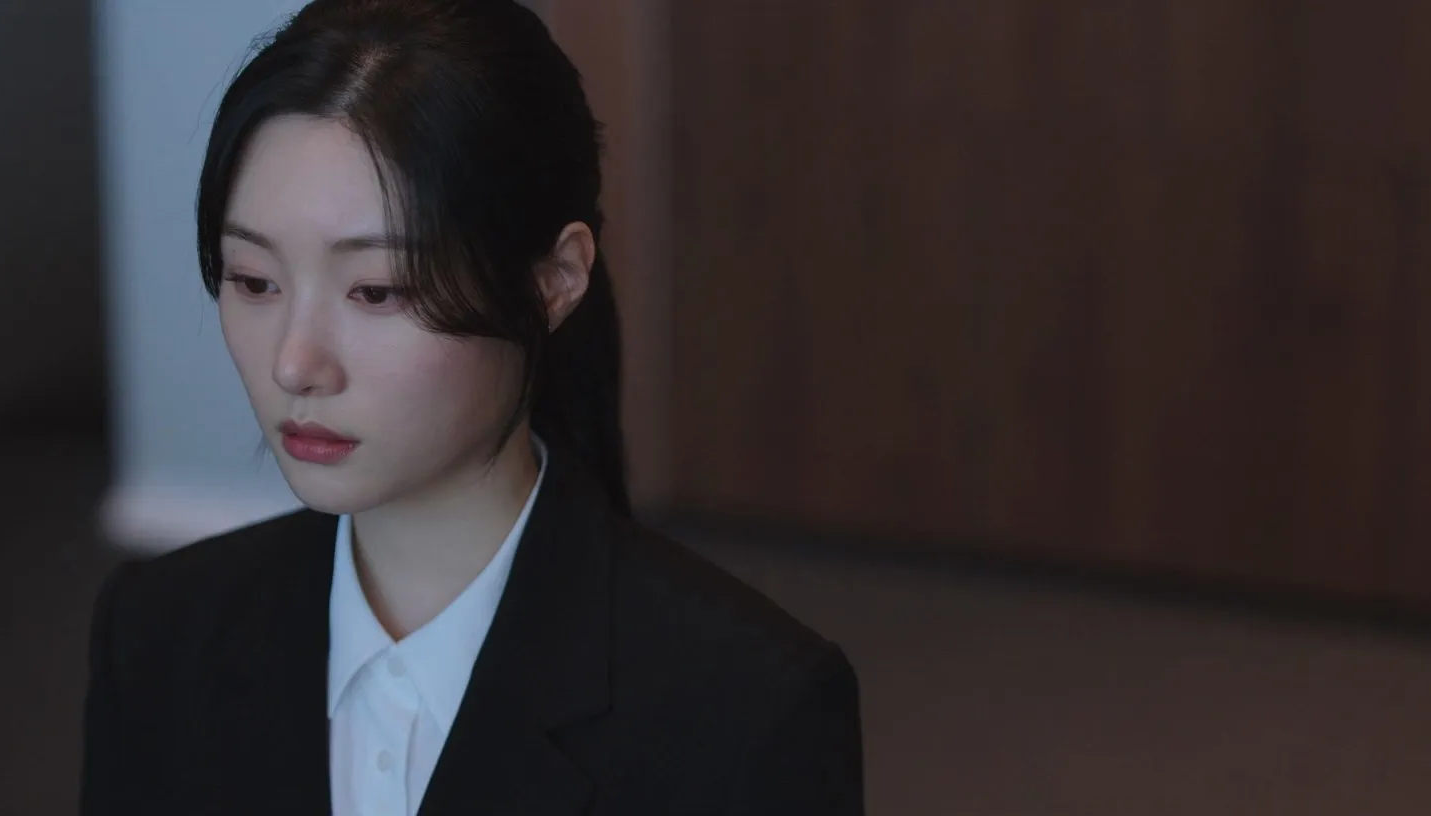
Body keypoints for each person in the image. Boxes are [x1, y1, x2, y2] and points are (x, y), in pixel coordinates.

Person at [78, 1, 865, 814]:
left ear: (554, 280)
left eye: (375, 290)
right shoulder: (156, 635)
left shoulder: (748, 710)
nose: (294, 363)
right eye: (254, 281)